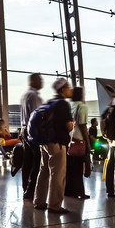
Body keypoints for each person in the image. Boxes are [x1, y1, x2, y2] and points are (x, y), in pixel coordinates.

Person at [34, 78, 73, 213]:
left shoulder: (50, 102)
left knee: (43, 171)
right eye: (68, 87)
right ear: (62, 89)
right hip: (57, 143)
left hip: (44, 142)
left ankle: (39, 201)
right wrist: (72, 124)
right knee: (58, 174)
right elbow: (68, 126)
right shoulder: (62, 104)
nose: (70, 89)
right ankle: (54, 205)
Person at [20, 73, 43, 201]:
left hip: (24, 129)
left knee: (27, 161)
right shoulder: (33, 96)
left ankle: (26, 188)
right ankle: (31, 189)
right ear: (33, 81)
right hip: (32, 131)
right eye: (40, 79)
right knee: (37, 161)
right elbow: (36, 117)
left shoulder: (25, 95)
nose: (42, 82)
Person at [65, 86, 90, 199]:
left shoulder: (70, 105)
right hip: (79, 139)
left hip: (70, 139)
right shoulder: (82, 106)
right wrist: (87, 141)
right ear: (81, 95)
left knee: (70, 168)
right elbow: (83, 125)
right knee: (79, 167)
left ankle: (69, 190)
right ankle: (79, 191)